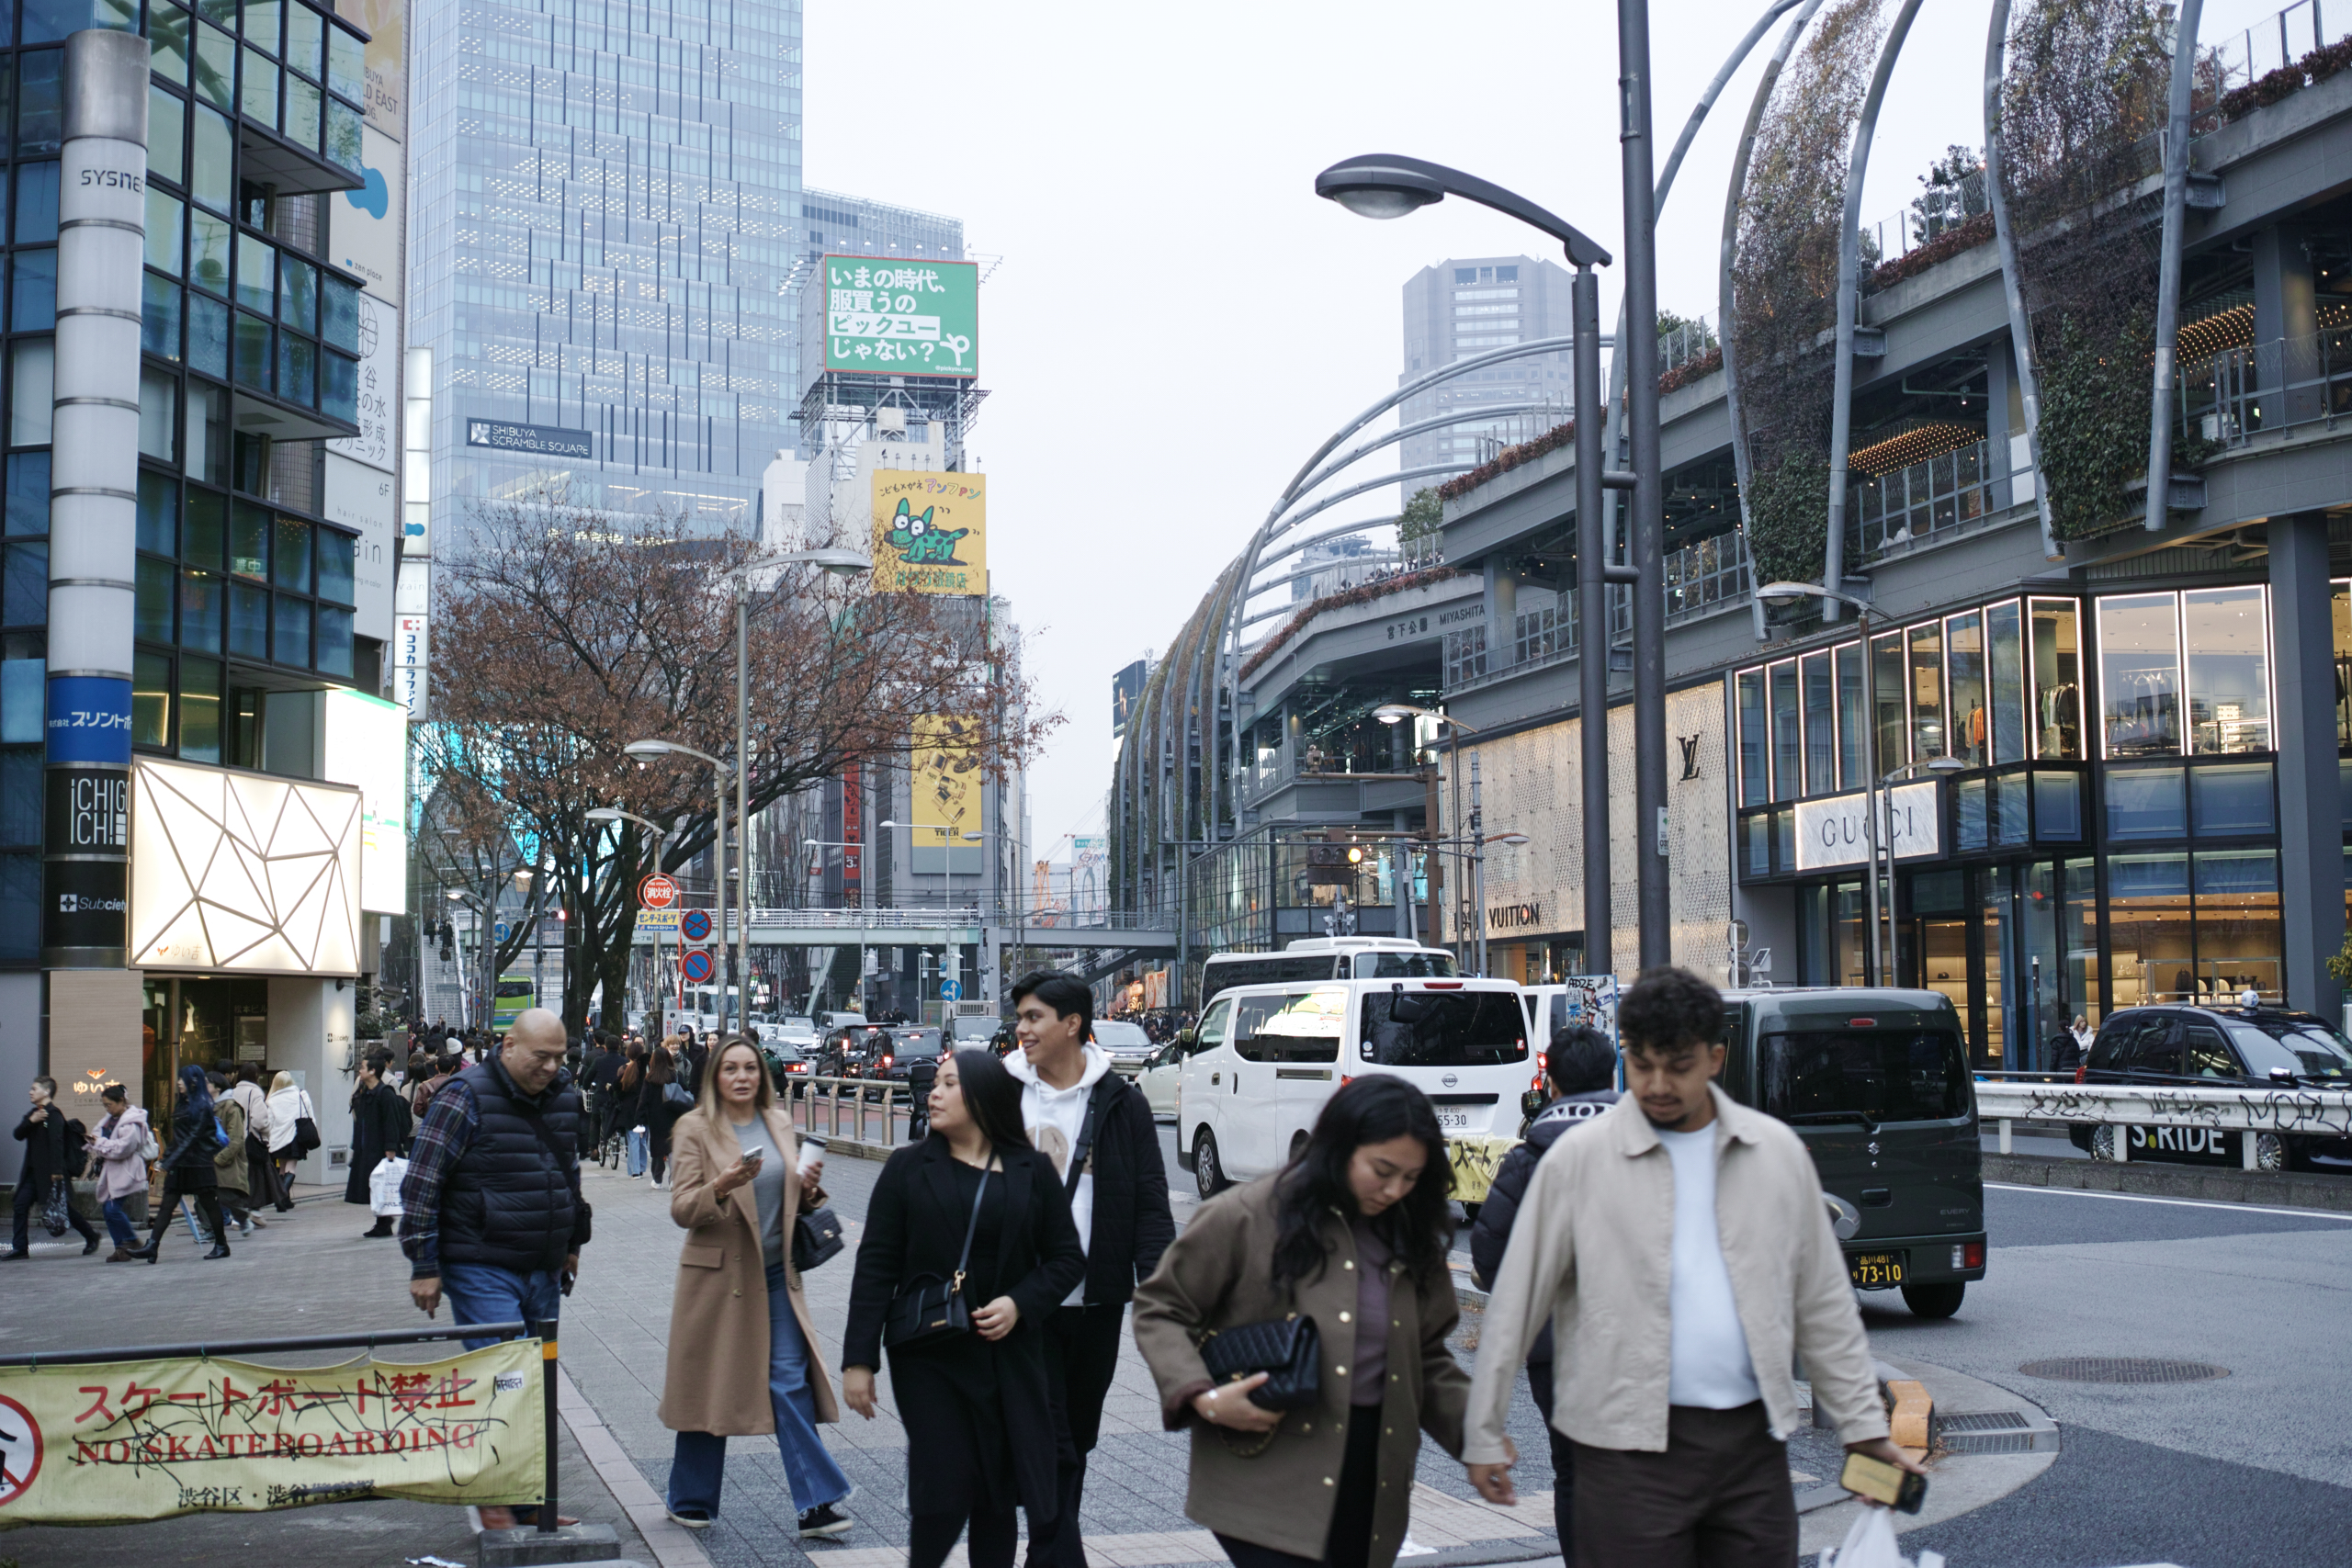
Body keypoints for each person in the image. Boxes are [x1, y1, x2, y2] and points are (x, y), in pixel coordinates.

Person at [1460, 967, 1918, 1568]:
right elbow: (1517, 1298)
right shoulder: (1579, 1159)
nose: (1656, 1083)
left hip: (1751, 1448)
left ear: (1715, 1056)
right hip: (1619, 1451)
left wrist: (1863, 1427)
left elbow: (1823, 1303)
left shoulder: (1773, 1152)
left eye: (1677, 1064)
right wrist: (1484, 1429)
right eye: (1642, 1063)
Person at [1132, 1075, 1469, 1568]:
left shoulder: (1410, 1232)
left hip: (1373, 1476)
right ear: (1339, 1148)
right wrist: (1201, 1396)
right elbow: (1160, 1307)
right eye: (1382, 1170)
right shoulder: (1249, 1214)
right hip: (1266, 1469)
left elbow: (1427, 1356)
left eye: (1412, 1177)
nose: (1396, 1189)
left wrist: (1478, 1441)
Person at [841, 1050, 1085, 1568]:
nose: (933, 1092)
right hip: (928, 1352)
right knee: (945, 1484)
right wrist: (858, 1360)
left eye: (949, 1084)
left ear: (982, 1097)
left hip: (1007, 1355)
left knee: (996, 1493)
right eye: (935, 1083)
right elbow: (876, 1266)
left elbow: (1066, 1260)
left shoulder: (1031, 1169)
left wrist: (1020, 1303)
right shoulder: (909, 1168)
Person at [1004, 971, 1176, 1568]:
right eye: (1021, 1018)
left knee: (1076, 1436)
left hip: (1096, 1297)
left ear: (1071, 1023)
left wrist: (1160, 1291)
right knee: (1049, 1437)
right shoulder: (1002, 1093)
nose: (1022, 1029)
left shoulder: (1120, 1101)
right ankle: (1059, 1555)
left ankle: (1049, 1546)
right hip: (1021, 1301)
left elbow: (1150, 1202)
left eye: (1033, 1017)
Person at [399, 1008, 591, 1531]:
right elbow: (422, 1181)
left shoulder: (566, 1098)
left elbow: (567, 1176)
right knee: (501, 1378)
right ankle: (493, 1495)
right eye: (540, 1057)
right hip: (480, 1261)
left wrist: (573, 1241)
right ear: (508, 1047)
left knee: (534, 1385)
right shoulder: (462, 1097)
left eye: (559, 1057)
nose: (551, 1068)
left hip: (543, 1266)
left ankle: (529, 1498)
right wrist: (424, 1263)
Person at [657, 1036, 855, 1539]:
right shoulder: (693, 1128)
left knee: (789, 1381)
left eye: (750, 1068)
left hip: (775, 1277)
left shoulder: (779, 1122)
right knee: (710, 1386)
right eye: (731, 1069)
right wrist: (721, 1184)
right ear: (715, 1077)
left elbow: (793, 1198)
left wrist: (808, 1186)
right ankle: (690, 1499)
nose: (742, 1077)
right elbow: (682, 1208)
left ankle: (817, 1503)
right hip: (718, 1280)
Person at [1467, 1024, 1620, 1560]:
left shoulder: (1526, 1160)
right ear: (1612, 1076)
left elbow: (1487, 1254)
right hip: (1636, 1343)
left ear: (1551, 1084)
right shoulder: (1645, 1147)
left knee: (1573, 1469)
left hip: (1554, 1351)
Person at [127, 1065, 232, 1262]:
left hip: (199, 1164)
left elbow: (192, 1137)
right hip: (183, 1164)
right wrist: (166, 1159)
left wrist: (169, 1161)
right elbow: (179, 1138)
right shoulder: (184, 1103)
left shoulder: (201, 1105)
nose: (178, 1082)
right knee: (167, 1205)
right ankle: (152, 1246)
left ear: (193, 1081)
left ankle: (221, 1245)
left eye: (183, 1079)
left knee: (209, 1204)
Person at [9, 1076, 100, 1258]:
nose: (30, 1092)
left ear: (46, 1092)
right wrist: (31, 1121)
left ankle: (91, 1236)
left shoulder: (54, 1115)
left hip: (51, 1174)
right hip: (32, 1174)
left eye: (34, 1089)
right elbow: (18, 1134)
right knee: (20, 1205)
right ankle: (20, 1248)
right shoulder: (34, 1114)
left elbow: (58, 1143)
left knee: (65, 1209)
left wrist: (57, 1171)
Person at [348, 1048, 413, 1238]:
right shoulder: (365, 1092)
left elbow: (390, 1121)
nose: (360, 1070)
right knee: (375, 1185)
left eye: (363, 1067)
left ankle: (384, 1223)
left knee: (382, 1184)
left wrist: (391, 1147)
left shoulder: (385, 1094)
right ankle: (383, 1221)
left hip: (380, 1148)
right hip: (367, 1147)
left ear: (372, 1071)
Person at [88, 1084, 153, 1261]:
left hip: (126, 1170)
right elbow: (101, 1139)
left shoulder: (132, 1122)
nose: (107, 1108)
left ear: (121, 1101)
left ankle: (131, 1241)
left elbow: (123, 1149)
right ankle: (121, 1248)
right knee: (108, 1209)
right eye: (105, 1105)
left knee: (111, 1209)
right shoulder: (110, 1118)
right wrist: (94, 1142)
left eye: (109, 1104)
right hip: (113, 1170)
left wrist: (99, 1144)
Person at [223, 1065, 277, 1219]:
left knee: (238, 1177)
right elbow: (260, 1121)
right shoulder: (255, 1092)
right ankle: (252, 1212)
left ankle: (238, 1215)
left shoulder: (232, 1092)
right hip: (250, 1141)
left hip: (233, 1141)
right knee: (255, 1177)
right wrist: (266, 1132)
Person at [208, 1072, 257, 1236]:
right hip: (209, 1159)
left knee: (226, 1197)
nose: (204, 1086)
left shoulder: (230, 1107)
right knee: (205, 1197)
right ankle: (211, 1230)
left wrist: (220, 1159)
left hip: (226, 1161)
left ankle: (242, 1219)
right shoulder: (208, 1106)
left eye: (208, 1083)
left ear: (218, 1087)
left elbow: (236, 1139)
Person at [637, 1045, 690, 1189]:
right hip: (674, 1116)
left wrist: (640, 1120)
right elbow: (685, 1093)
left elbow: (643, 1100)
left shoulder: (650, 1078)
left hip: (656, 1118)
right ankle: (673, 1180)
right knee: (673, 1148)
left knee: (658, 1150)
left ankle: (658, 1179)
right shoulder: (676, 1075)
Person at [265, 1070, 314, 1199]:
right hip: (294, 1138)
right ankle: (281, 1199)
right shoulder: (301, 1095)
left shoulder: (272, 1100)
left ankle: (284, 1200)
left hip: (277, 1139)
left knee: (281, 1169)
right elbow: (309, 1116)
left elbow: (269, 1123)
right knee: (290, 1169)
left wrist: (268, 1139)